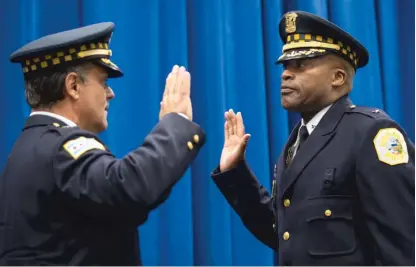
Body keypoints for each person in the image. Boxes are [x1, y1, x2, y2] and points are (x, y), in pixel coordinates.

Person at [211, 10, 414, 266]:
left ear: (337, 77)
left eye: (302, 65)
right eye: (286, 65)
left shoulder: (371, 134)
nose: (286, 74)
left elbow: (403, 246)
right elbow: (287, 235)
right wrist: (234, 173)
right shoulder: (296, 143)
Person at [0, 22, 205, 265]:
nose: (110, 93)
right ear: (73, 86)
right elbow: (128, 188)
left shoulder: (29, 147)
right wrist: (176, 124)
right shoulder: (61, 149)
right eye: (104, 82)